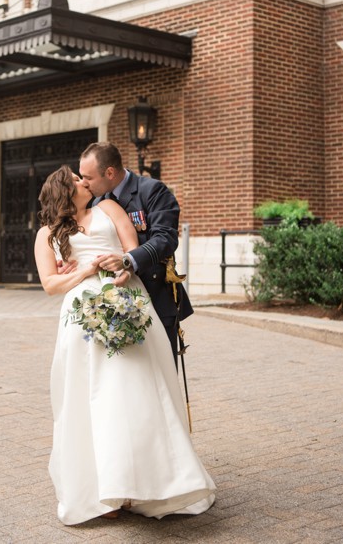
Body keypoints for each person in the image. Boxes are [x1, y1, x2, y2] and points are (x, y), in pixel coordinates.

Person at [35, 166, 216, 525]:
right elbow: (50, 284)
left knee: (134, 391)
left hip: (126, 300)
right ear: (63, 190)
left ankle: (146, 485)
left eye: (84, 176)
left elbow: (133, 251)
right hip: (80, 317)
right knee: (89, 398)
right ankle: (104, 491)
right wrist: (85, 272)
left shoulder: (111, 209)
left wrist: (123, 270)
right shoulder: (46, 234)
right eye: (76, 179)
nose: (84, 181)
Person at [75, 142, 192, 365]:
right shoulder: (98, 202)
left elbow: (165, 238)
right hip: (117, 304)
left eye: (88, 177)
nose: (83, 183)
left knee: (163, 373)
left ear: (109, 172)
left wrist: (128, 261)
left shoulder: (152, 191)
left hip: (155, 297)